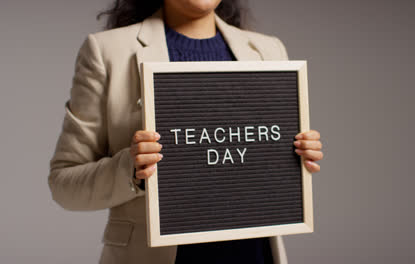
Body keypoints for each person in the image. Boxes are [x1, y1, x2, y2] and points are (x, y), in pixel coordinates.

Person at [48, 0, 324, 263]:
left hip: (252, 254)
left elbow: (265, 159)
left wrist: (295, 155)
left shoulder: (268, 50)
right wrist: (130, 168)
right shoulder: (107, 51)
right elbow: (63, 182)